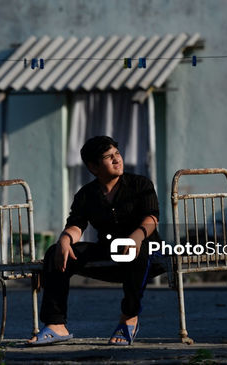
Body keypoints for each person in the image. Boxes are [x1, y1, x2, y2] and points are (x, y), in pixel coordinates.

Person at [27, 136, 161, 346]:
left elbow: (151, 217)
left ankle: (129, 317)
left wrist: (135, 237)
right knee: (55, 252)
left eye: (117, 153)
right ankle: (56, 324)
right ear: (93, 167)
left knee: (138, 251)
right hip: (109, 250)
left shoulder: (140, 184)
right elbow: (76, 225)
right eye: (109, 157)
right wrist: (65, 240)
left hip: (146, 250)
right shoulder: (86, 194)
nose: (117, 159)